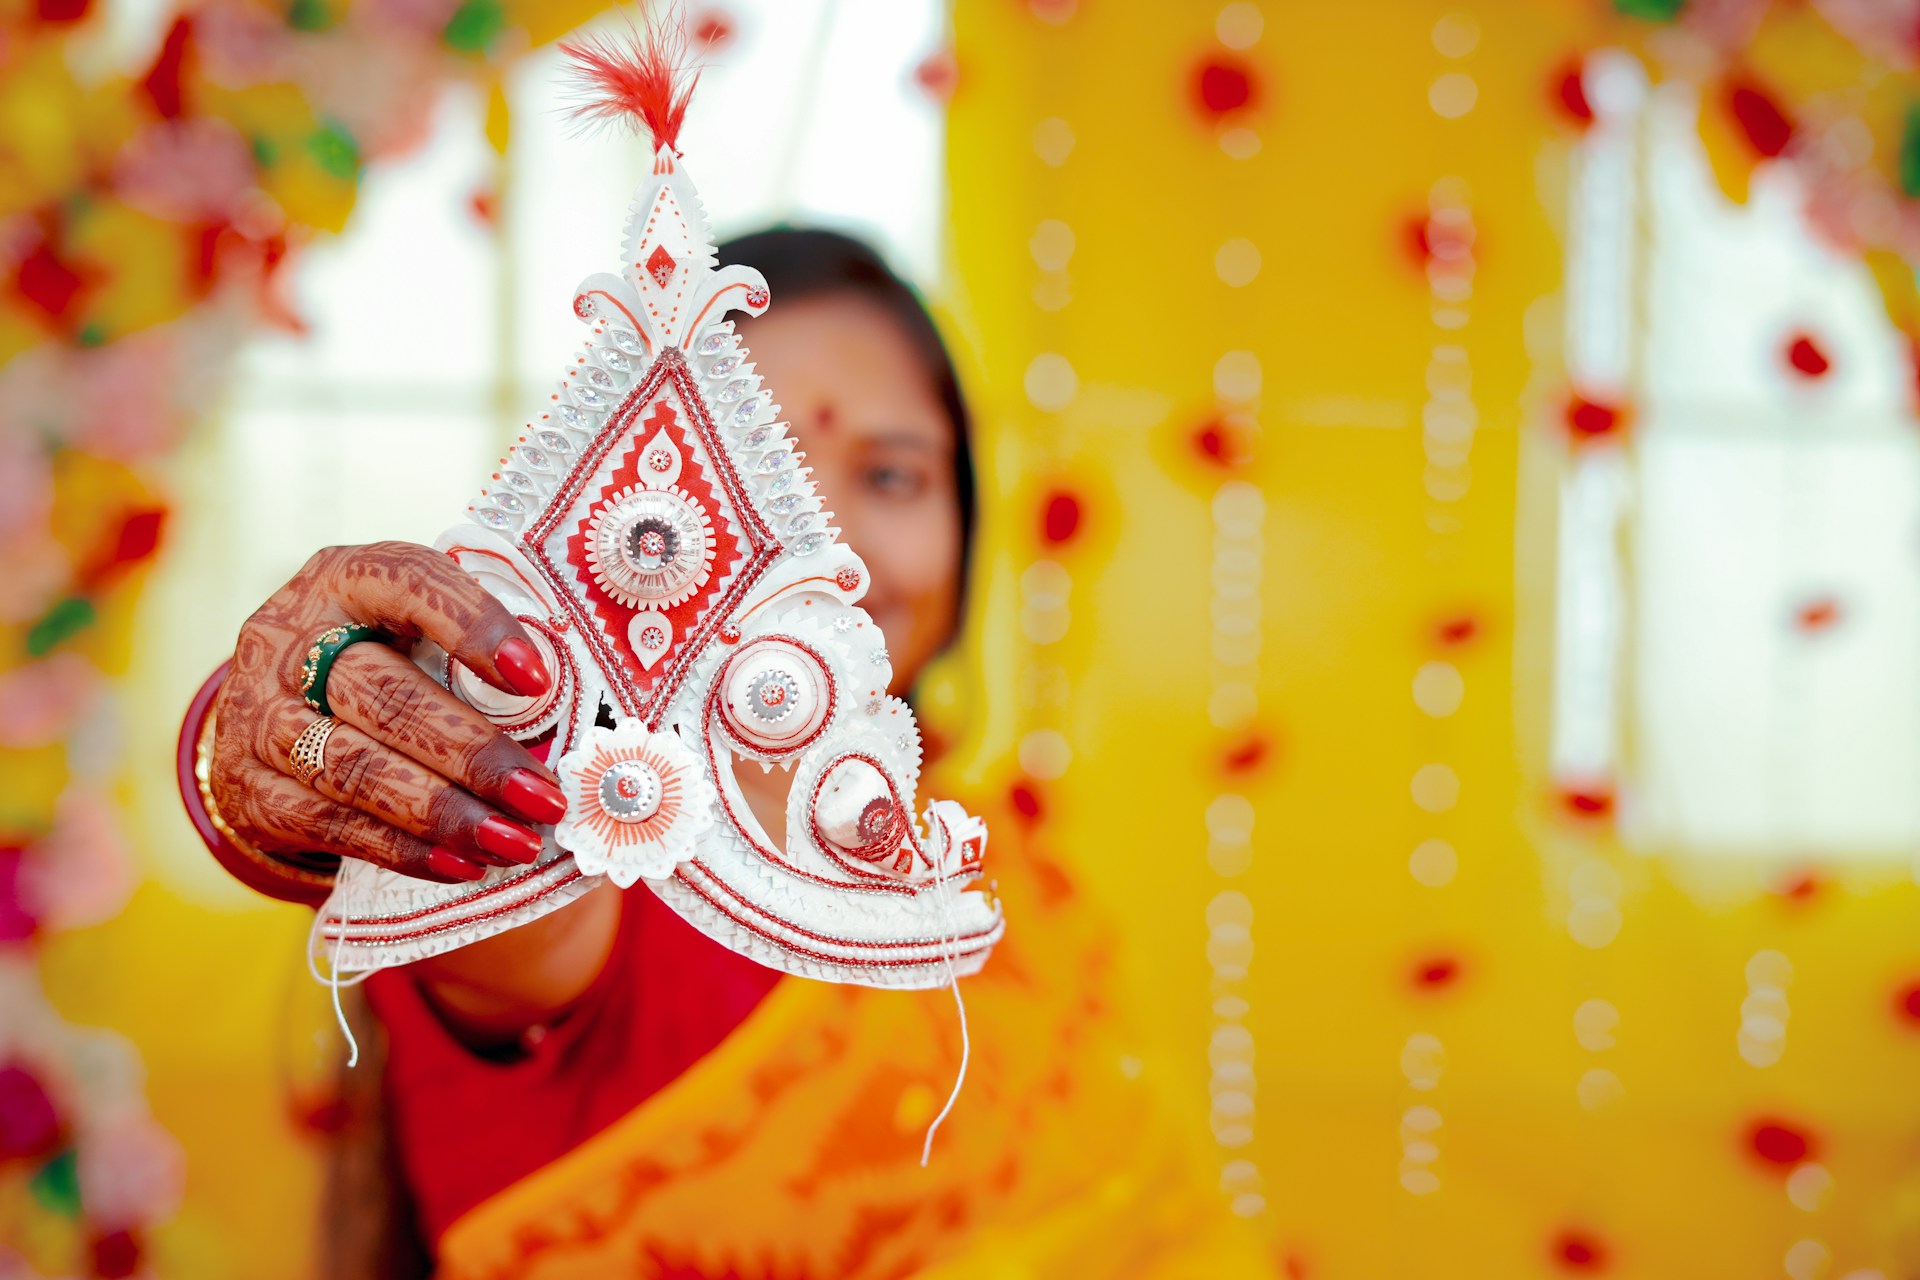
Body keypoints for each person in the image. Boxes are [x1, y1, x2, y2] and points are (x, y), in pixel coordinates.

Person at [180, 229, 1260, 1278]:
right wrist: (298, 727)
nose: (822, 544)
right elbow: (457, 870)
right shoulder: (579, 854)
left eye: (890, 476)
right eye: (743, 468)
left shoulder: (994, 853)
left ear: (965, 534)